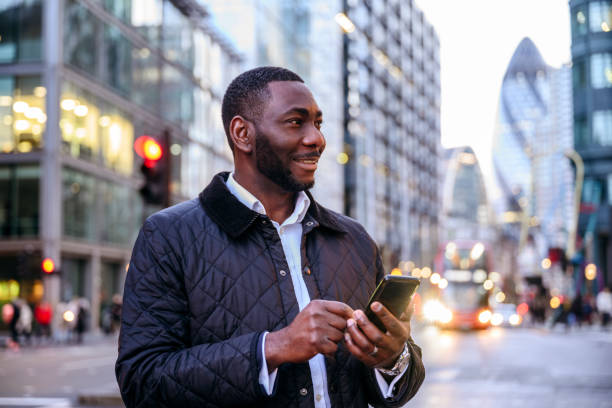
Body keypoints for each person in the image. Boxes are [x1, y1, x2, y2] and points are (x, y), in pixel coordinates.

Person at [116, 67, 425, 407]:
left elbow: (398, 387)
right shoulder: (168, 236)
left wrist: (391, 358)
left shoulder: (354, 240)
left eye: (318, 124)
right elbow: (141, 383)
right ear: (242, 133)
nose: (316, 139)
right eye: (296, 122)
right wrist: (273, 348)